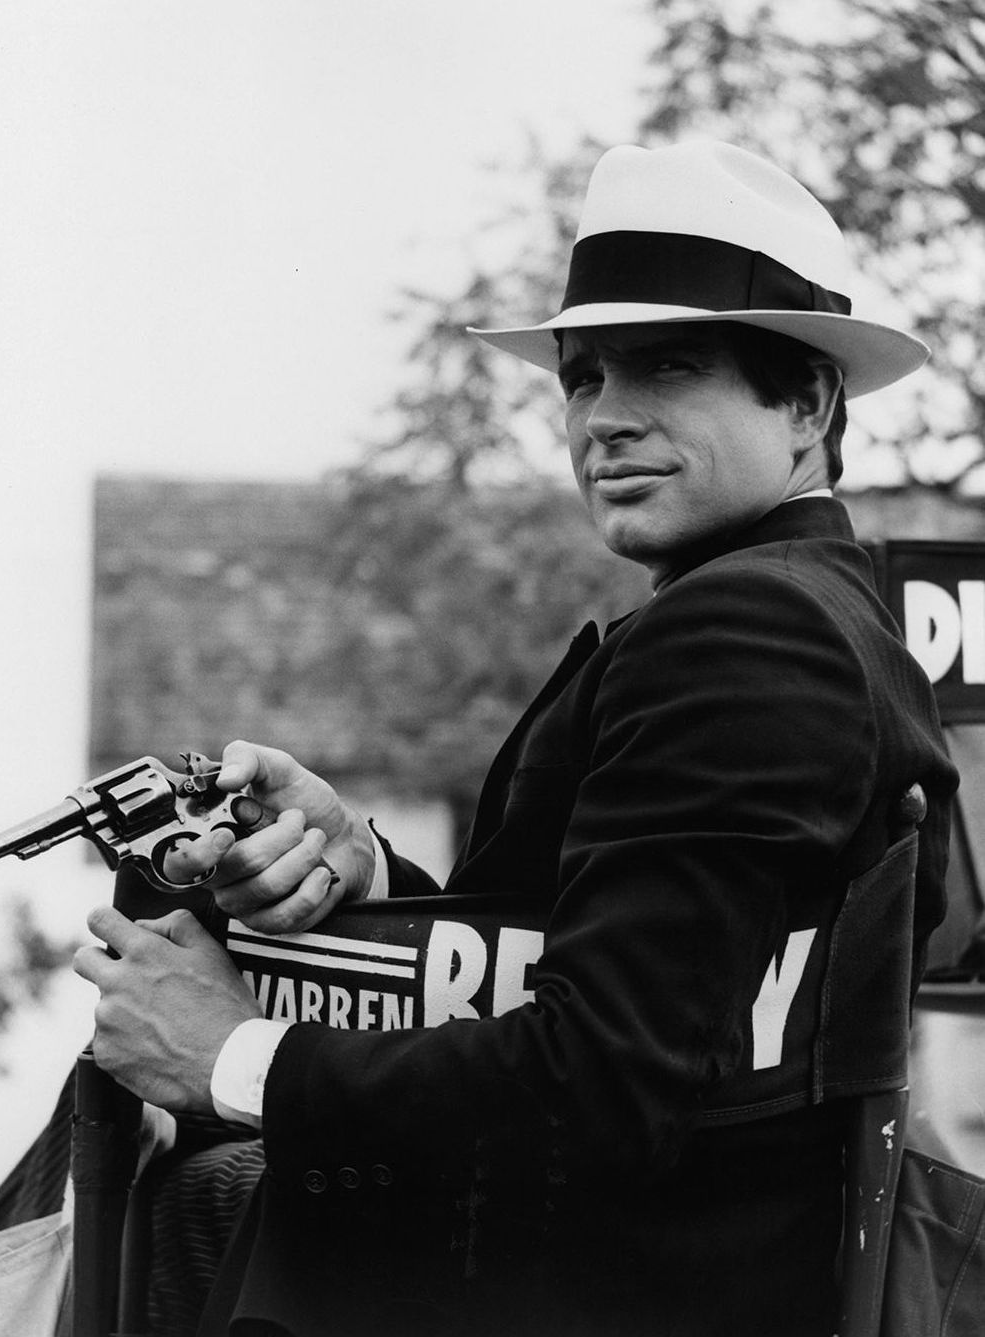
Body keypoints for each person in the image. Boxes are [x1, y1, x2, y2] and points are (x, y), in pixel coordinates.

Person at [73, 141, 959, 1337]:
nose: (605, 417)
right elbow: (608, 968)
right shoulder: (799, 611)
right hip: (628, 1255)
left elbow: (599, 1083)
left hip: (602, 1280)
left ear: (805, 402)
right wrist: (366, 869)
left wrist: (234, 1054)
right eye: (582, 374)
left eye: (668, 368)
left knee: (168, 1195)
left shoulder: (747, 634)